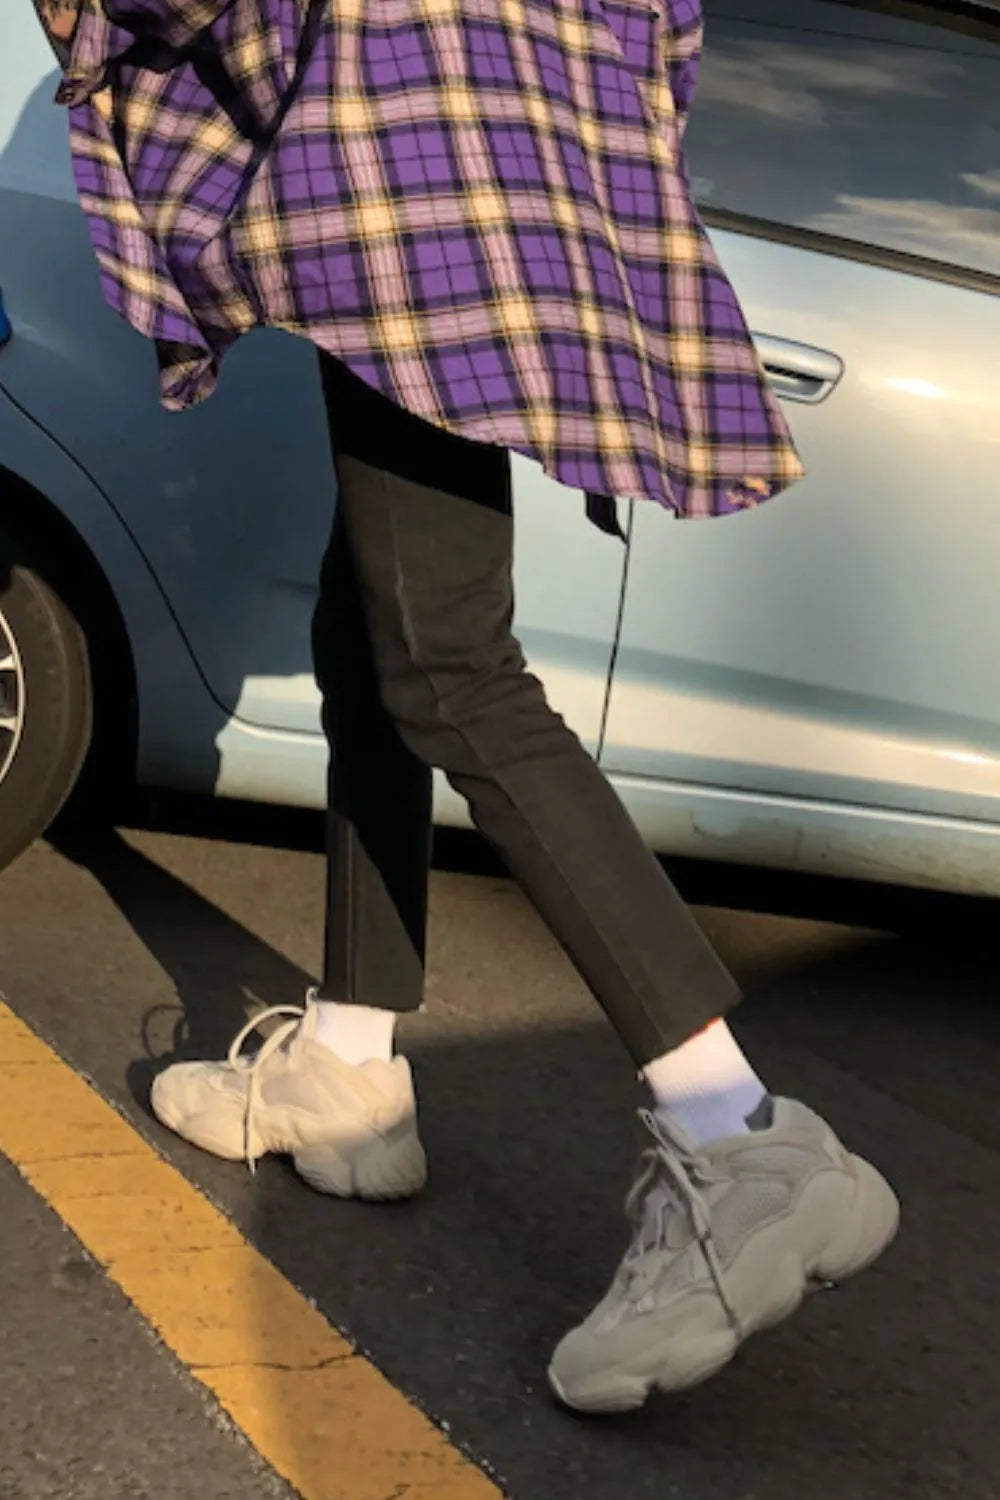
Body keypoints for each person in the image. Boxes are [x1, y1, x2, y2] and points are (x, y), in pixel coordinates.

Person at [37, 0, 897, 1411]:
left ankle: (742, 1139)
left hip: (407, 183)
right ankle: (349, 1064)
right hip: (517, 185)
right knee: (375, 619)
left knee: (449, 665)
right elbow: (668, 32)